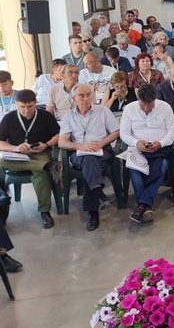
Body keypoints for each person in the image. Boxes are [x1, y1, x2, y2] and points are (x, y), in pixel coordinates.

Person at [58, 84, 120, 231]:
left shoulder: (103, 111)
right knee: (89, 161)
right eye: (81, 96)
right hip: (79, 152)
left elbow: (116, 132)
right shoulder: (68, 117)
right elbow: (62, 141)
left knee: (90, 164)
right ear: (74, 99)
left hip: (102, 150)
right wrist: (82, 146)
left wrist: (101, 143)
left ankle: (94, 209)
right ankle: (98, 196)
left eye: (88, 95)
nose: (85, 99)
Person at [0, 90, 60, 228]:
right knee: (1, 161)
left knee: (41, 174)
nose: (26, 110)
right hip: (17, 154)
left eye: (30, 106)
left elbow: (58, 135)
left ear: (35, 103)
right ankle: (47, 166)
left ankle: (44, 212)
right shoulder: (8, 118)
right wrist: (16, 148)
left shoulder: (45, 116)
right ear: (16, 104)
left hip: (39, 152)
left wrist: (46, 144)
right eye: (22, 107)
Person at [119, 84, 174, 223]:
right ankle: (146, 206)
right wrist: (136, 143)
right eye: (143, 105)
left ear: (154, 100)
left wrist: (161, 143)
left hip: (160, 148)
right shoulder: (129, 109)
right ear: (138, 100)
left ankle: (141, 206)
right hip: (138, 148)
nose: (146, 109)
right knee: (135, 171)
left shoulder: (164, 107)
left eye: (149, 106)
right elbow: (124, 133)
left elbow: (173, 130)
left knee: (160, 168)